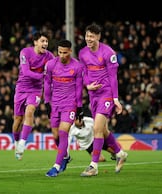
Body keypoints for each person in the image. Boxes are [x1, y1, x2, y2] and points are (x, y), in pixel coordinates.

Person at [78, 23, 128, 177]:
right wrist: (87, 85)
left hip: (106, 94)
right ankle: (120, 154)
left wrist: (115, 99)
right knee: (103, 130)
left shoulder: (108, 53)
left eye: (92, 36)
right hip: (93, 95)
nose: (89, 39)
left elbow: (113, 77)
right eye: (87, 36)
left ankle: (93, 166)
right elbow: (84, 72)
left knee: (97, 128)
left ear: (98, 37)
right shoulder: (82, 53)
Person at [44, 39, 83, 177]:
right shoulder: (50, 65)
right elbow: (47, 83)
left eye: (65, 53)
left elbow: (79, 88)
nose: (62, 55)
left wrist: (79, 107)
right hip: (55, 104)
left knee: (63, 132)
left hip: (70, 104)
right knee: (55, 136)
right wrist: (46, 102)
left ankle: (56, 166)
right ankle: (65, 156)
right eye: (59, 52)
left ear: (70, 52)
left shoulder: (77, 66)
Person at [13, 32, 54, 160]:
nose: (45, 44)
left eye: (46, 41)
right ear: (35, 42)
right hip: (21, 88)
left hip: (35, 90)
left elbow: (56, 69)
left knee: (30, 111)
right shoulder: (25, 52)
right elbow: (26, 72)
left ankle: (22, 143)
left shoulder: (50, 56)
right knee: (18, 120)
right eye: (43, 41)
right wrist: (43, 76)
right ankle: (16, 142)